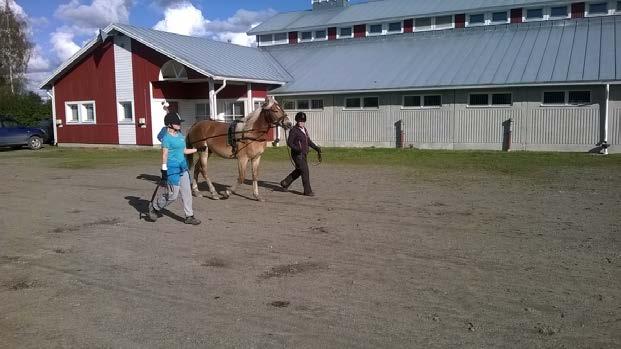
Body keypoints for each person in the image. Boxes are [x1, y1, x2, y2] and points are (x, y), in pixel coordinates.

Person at [148, 112, 201, 225]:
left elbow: (184, 151)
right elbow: (164, 155)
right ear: (170, 124)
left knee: (187, 192)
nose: (179, 125)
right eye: (177, 123)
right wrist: (164, 169)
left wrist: (197, 150)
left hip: (183, 168)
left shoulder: (181, 137)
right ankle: (154, 206)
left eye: (179, 123)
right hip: (172, 169)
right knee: (173, 195)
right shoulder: (166, 138)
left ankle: (189, 216)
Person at [280, 112, 321, 196]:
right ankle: (307, 191)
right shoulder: (294, 130)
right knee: (305, 171)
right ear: (297, 121)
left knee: (299, 170)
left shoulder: (304, 130)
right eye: (300, 121)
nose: (301, 122)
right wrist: (298, 149)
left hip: (304, 154)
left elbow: (308, 141)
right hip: (297, 155)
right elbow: (289, 143)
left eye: (303, 121)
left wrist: (316, 148)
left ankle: (285, 182)